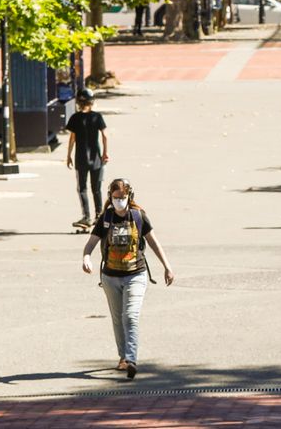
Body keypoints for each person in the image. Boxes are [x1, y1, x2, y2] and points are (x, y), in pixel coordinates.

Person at [80, 178, 175, 378]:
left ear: (129, 196)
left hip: (136, 274)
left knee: (130, 316)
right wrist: (86, 258)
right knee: (117, 318)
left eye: (122, 197)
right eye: (115, 198)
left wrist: (167, 267)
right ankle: (123, 357)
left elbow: (154, 243)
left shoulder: (139, 216)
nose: (119, 201)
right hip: (110, 277)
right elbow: (90, 244)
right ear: (110, 197)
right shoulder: (105, 218)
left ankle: (131, 359)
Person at [64, 91, 110, 232]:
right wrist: (105, 153)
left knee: (82, 188)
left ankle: (86, 216)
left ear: (78, 102)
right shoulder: (97, 117)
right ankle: (99, 216)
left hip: (81, 158)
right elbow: (105, 136)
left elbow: (73, 138)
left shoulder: (75, 118)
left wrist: (69, 155)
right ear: (92, 102)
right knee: (96, 188)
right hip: (96, 158)